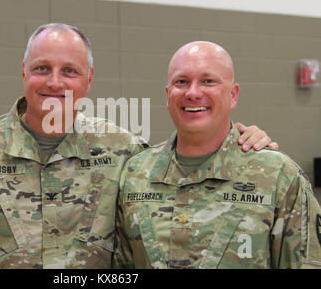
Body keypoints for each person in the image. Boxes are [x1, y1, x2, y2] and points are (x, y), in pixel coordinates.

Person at [0, 25, 276, 269]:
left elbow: (190, 173)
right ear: (23, 73)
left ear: (89, 80)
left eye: (69, 71)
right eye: (41, 69)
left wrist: (243, 142)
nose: (54, 82)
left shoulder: (125, 152)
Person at [114, 41, 321, 269]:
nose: (193, 93)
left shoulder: (278, 176)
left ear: (233, 95)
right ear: (167, 94)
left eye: (208, 81)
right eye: (181, 82)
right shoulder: (135, 174)